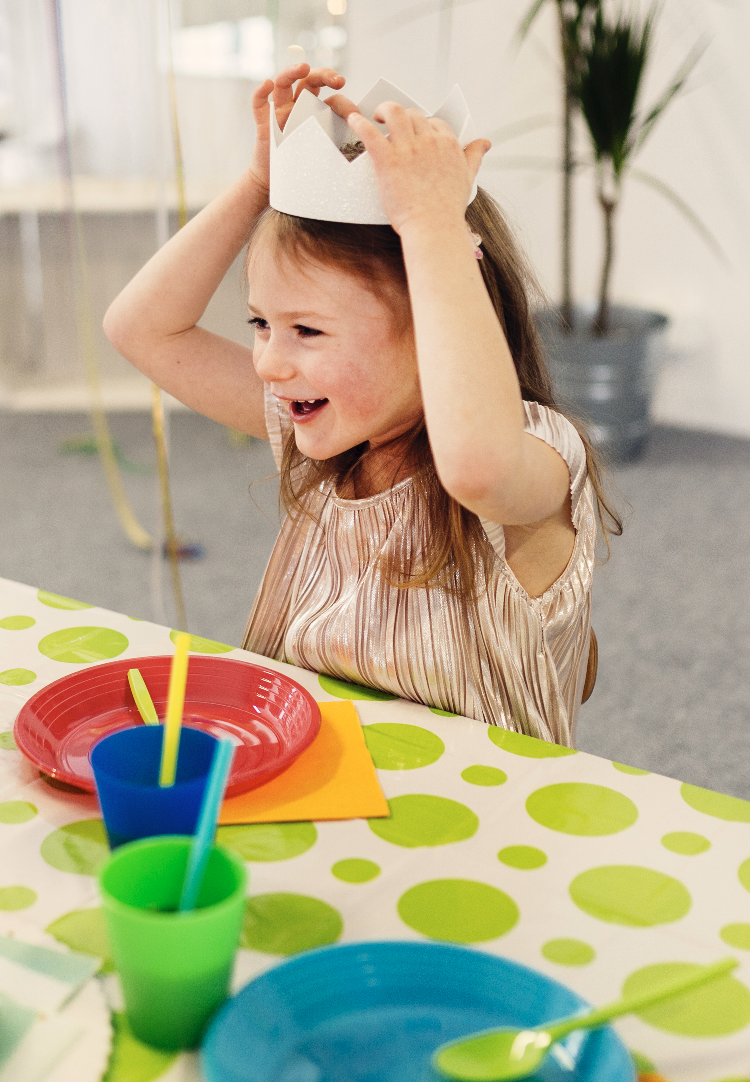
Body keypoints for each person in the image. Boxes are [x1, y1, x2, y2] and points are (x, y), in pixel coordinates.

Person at [104, 65, 619, 747]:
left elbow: (477, 467)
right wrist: (257, 187)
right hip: (310, 788)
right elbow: (142, 329)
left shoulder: (535, 451)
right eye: (261, 323)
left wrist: (432, 226)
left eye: (307, 331)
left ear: (436, 326)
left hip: (476, 826)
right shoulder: (324, 427)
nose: (268, 362)